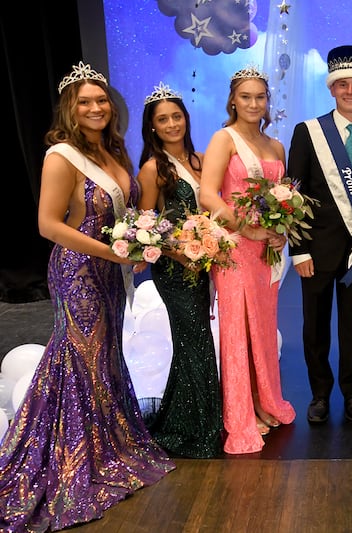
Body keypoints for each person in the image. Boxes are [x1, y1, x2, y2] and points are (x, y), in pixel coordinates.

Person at [0, 61, 174, 531]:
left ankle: (107, 444)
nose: (96, 108)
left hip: (110, 272)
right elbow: (49, 225)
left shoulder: (110, 150)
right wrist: (112, 252)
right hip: (78, 272)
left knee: (102, 359)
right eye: (85, 102)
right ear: (70, 109)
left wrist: (140, 245)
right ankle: (77, 458)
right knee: (83, 358)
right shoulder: (62, 156)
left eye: (101, 100)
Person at [199, 65, 295, 455]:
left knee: (262, 326)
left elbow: (281, 197)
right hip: (236, 247)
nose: (254, 103)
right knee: (237, 329)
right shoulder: (224, 139)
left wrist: (280, 227)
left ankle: (263, 399)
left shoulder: (276, 146)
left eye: (260, 97)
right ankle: (240, 412)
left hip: (268, 251)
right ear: (233, 100)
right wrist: (249, 228)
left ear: (267, 101)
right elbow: (208, 195)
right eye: (246, 96)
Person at [287, 45, 352, 424]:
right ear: (331, 89)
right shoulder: (308, 132)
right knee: (314, 328)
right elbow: (291, 195)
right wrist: (299, 250)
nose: (349, 91)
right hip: (315, 251)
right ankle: (320, 394)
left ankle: (351, 393)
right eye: (342, 84)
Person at [137, 82, 223, 458]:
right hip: (175, 270)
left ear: (186, 119)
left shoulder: (203, 160)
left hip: (202, 263)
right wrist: (180, 253)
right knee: (195, 342)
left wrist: (211, 243)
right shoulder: (154, 168)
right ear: (152, 127)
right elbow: (145, 228)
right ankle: (194, 426)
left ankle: (196, 416)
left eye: (177, 116)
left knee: (200, 339)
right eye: (163, 119)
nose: (172, 124)